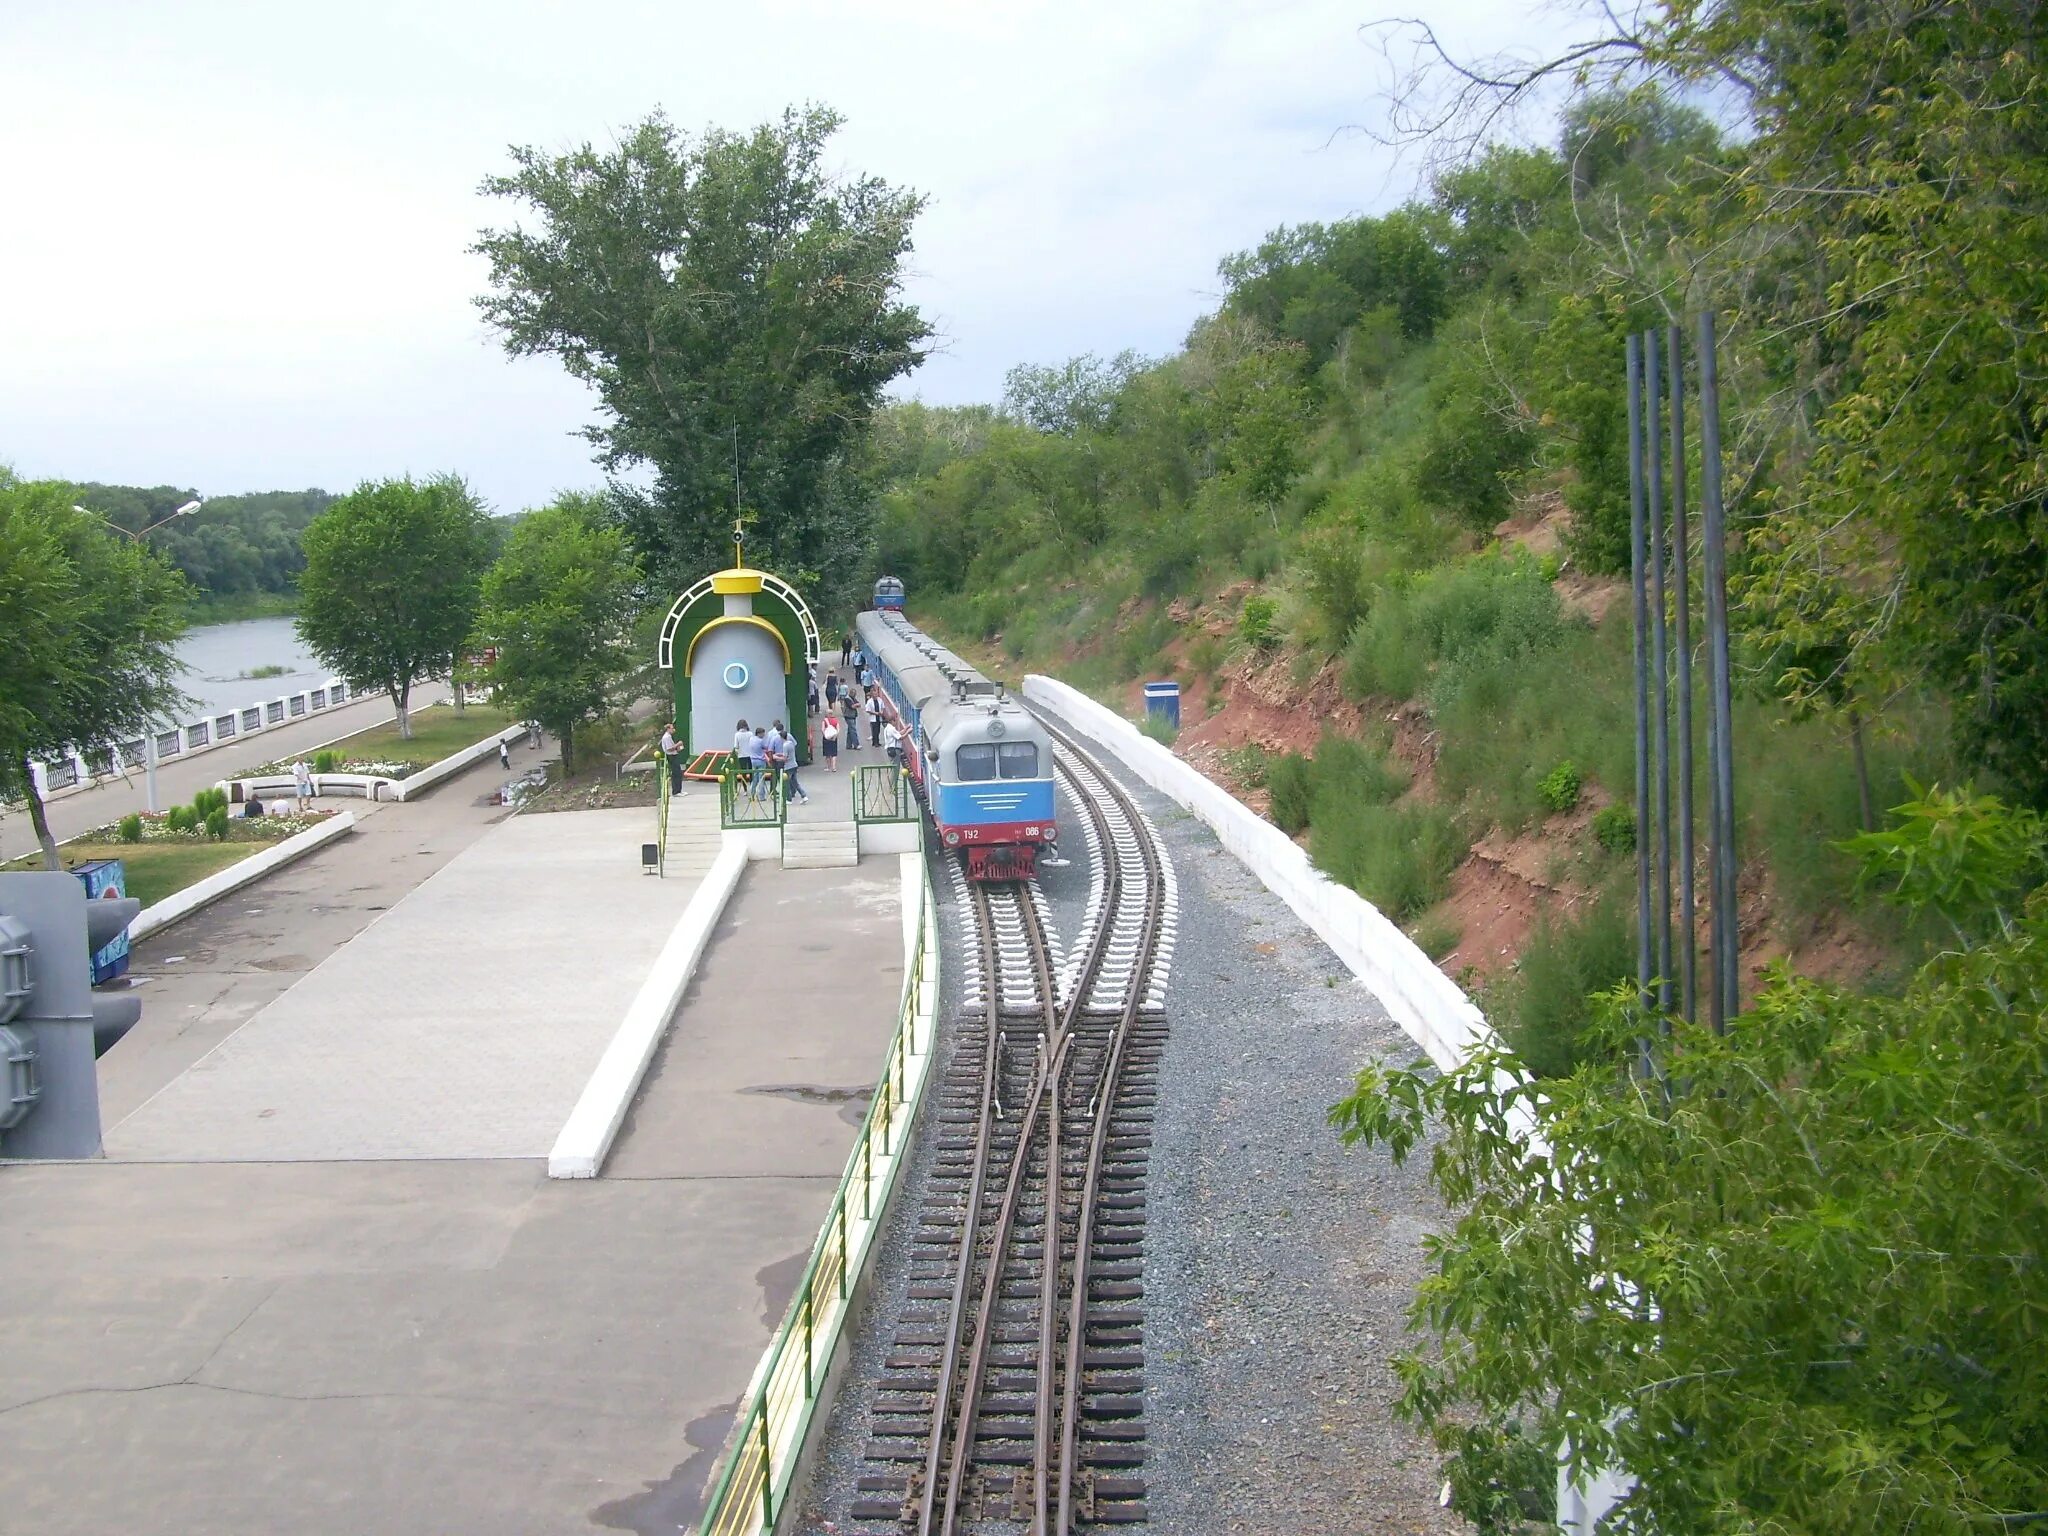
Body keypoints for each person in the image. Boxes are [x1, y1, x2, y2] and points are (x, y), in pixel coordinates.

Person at [775, 721, 810, 804]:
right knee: (795, 782)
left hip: (788, 766)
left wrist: (776, 757)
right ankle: (804, 795)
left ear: (781, 737)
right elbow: (788, 753)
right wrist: (780, 754)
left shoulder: (785, 745)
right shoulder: (790, 743)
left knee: (786, 783)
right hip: (794, 764)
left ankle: (788, 799)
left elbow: (785, 758)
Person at [659, 721, 683, 793]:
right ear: (668, 729)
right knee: (676, 773)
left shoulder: (669, 737)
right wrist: (678, 744)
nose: (673, 730)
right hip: (672, 756)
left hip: (674, 755)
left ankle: (678, 790)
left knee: (678, 773)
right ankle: (676, 791)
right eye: (672, 728)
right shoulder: (666, 737)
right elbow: (669, 748)